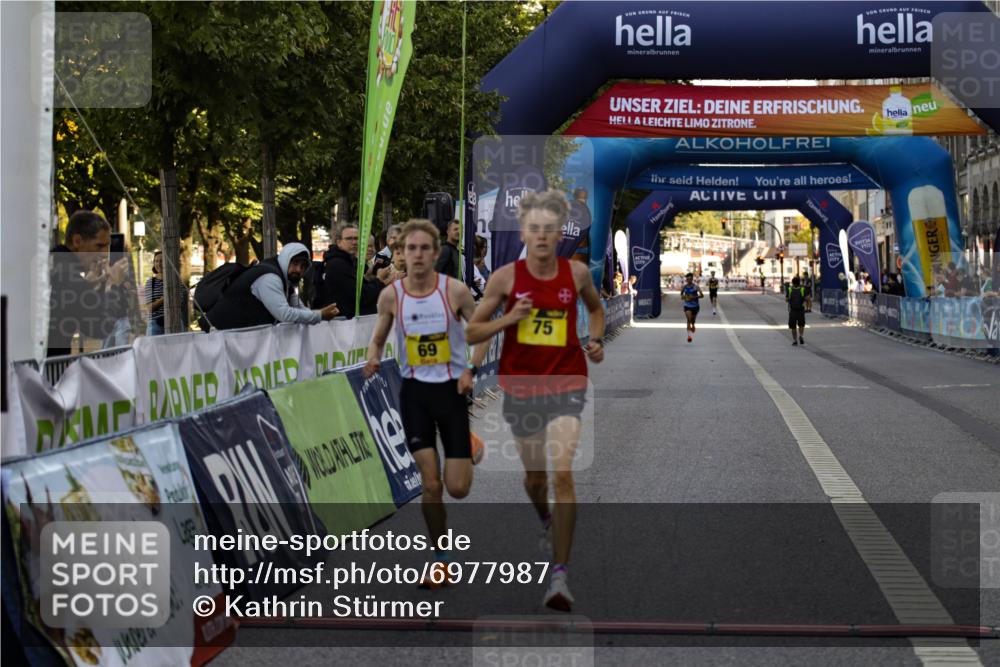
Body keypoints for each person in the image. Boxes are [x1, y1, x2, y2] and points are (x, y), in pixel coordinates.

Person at [467, 190, 605, 613]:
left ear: (558, 233)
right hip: (522, 385)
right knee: (535, 480)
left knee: (563, 473)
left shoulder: (577, 273)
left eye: (550, 229)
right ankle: (545, 518)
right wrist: (509, 319)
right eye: (535, 229)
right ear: (523, 231)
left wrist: (596, 339)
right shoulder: (505, 278)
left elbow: (596, 311)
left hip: (566, 380)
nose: (542, 237)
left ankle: (559, 576)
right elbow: (474, 331)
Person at [363, 219, 480, 589]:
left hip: (451, 391)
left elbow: (481, 333)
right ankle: (440, 558)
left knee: (457, 488)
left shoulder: (456, 291)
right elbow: (378, 338)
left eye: (423, 248)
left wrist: (471, 369)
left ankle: (471, 443)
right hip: (414, 393)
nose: (416, 255)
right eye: (409, 249)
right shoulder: (390, 296)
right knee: (431, 485)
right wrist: (372, 357)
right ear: (402, 253)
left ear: (435, 252)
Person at [47, 211, 130, 357]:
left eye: (107, 246)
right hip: (45, 372)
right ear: (77, 241)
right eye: (99, 246)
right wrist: (113, 285)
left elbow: (74, 306)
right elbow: (99, 328)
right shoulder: (66, 276)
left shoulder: (54, 263)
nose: (105, 253)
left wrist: (87, 285)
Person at [204, 242, 339, 329]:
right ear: (286, 260)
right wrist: (319, 316)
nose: (298, 269)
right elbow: (284, 314)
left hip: (234, 336)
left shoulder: (286, 279)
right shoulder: (270, 278)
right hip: (217, 336)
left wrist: (318, 315)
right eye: (295, 263)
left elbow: (297, 307)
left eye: (303, 266)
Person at [317, 223, 392, 318]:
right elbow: (361, 297)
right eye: (349, 238)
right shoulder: (338, 264)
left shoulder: (346, 261)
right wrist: (379, 280)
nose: (354, 242)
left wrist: (368, 278)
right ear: (338, 242)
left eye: (357, 239)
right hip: (343, 325)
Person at [145, 251, 165, 336]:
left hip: (175, 324)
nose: (159, 264)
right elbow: (149, 308)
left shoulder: (176, 281)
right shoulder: (151, 282)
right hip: (156, 325)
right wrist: (164, 299)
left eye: (161, 261)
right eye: (156, 261)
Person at [680, 272, 703, 343]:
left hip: (695, 306)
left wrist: (694, 297)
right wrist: (686, 297)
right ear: (686, 280)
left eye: (690, 279)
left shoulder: (696, 287)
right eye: (687, 279)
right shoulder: (684, 287)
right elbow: (681, 296)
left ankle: (693, 325)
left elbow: (702, 295)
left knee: (692, 320)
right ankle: (689, 336)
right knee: (688, 319)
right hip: (687, 306)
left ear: (692, 279)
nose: (689, 280)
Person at [786, 275, 807, 346]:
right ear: (799, 282)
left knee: (793, 326)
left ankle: (795, 341)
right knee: (801, 324)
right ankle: (801, 336)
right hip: (801, 310)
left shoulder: (790, 289)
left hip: (793, 310)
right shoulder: (802, 289)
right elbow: (806, 298)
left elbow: (786, 299)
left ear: (792, 283)